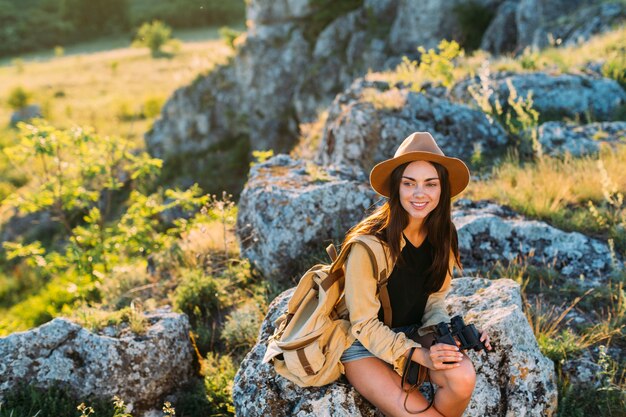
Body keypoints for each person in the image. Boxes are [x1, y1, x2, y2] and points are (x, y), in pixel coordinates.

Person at [339, 132, 492, 417]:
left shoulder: (444, 236)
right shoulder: (369, 245)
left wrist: (448, 337)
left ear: (442, 190)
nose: (419, 194)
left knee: (462, 378)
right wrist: (420, 355)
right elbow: (362, 323)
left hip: (413, 333)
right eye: (409, 183)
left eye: (430, 184)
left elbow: (433, 300)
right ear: (396, 188)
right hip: (363, 344)